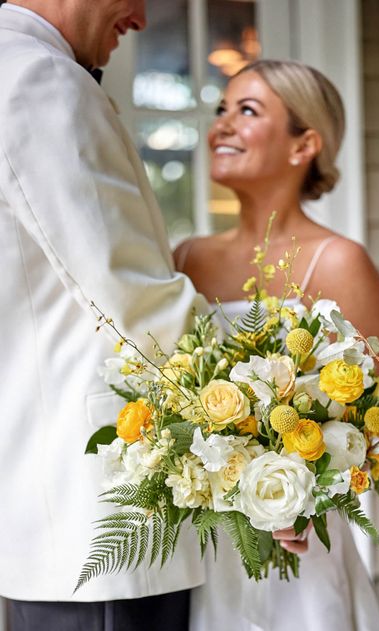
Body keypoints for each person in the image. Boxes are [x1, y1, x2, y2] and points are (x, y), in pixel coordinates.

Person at [0, 1, 209, 630]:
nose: (142, 18)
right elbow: (134, 299)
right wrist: (285, 363)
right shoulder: (38, 78)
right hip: (103, 516)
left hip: (58, 513)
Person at [174, 60, 379, 630]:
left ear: (304, 145)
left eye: (247, 111)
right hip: (205, 550)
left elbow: (375, 427)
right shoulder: (185, 259)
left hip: (298, 551)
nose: (221, 124)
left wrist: (304, 501)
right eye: (221, 109)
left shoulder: (340, 262)